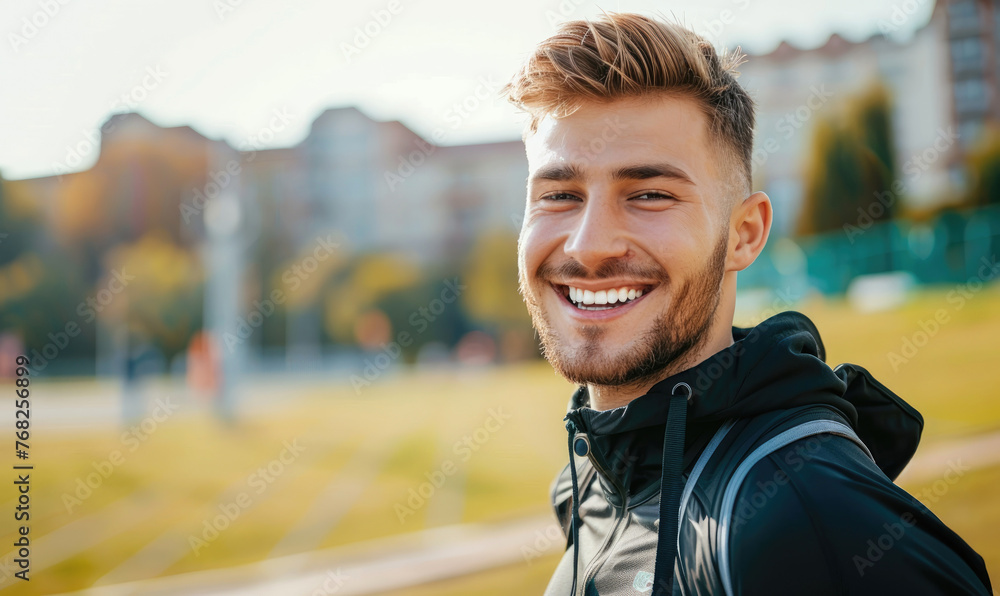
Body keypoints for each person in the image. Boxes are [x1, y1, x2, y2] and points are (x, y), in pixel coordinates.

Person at [501, 12, 994, 596]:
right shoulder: (593, 484)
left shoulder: (810, 520)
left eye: (650, 194)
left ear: (745, 234)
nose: (589, 244)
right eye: (559, 194)